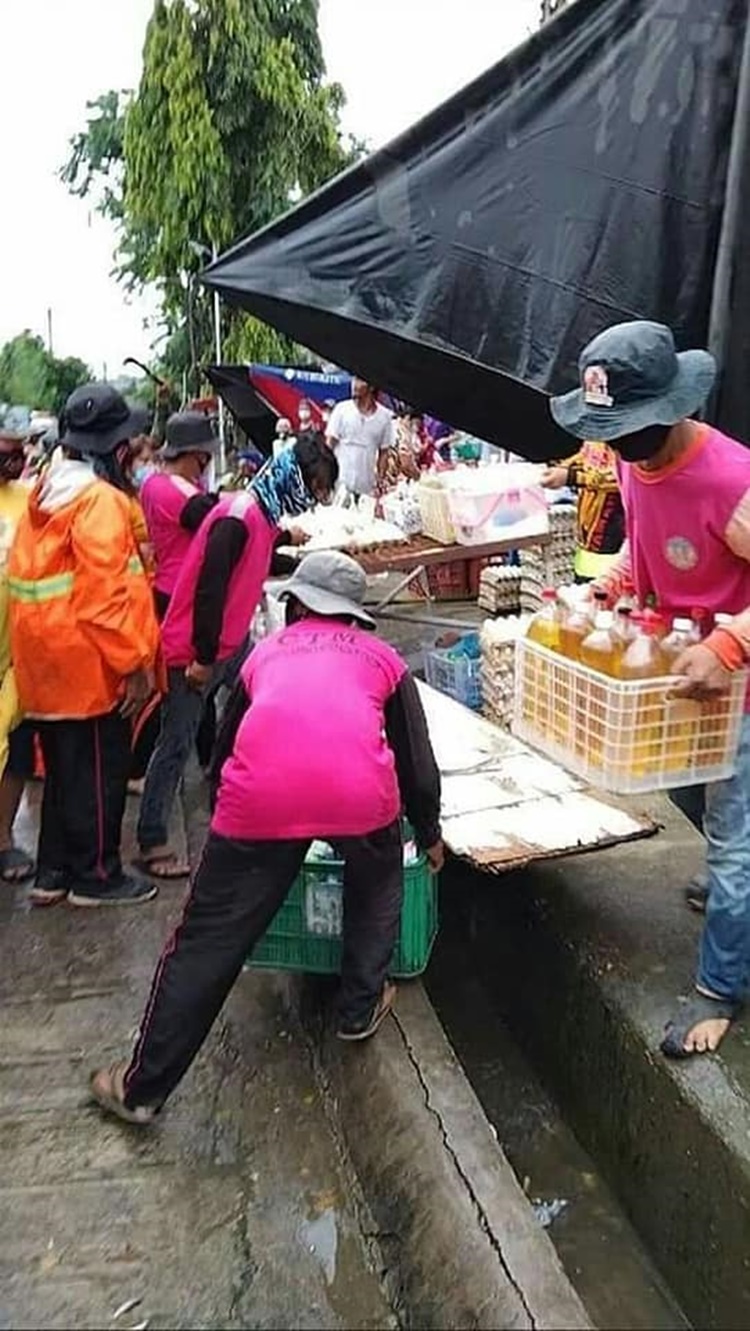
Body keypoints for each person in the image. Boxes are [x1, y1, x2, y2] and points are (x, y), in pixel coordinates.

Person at [89, 550, 444, 1124]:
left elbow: (226, 751)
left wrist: (229, 828)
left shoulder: (265, 655)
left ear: (297, 605)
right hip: (360, 799)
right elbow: (417, 766)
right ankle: (357, 1009)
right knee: (378, 880)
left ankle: (141, 1090)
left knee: (205, 942)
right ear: (354, 615)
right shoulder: (383, 658)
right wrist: (429, 834)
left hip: (259, 803)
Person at [550, 320, 750, 1059]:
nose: (615, 444)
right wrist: (610, 585)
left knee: (734, 844)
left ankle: (722, 987)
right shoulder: (634, 465)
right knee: (686, 791)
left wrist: (730, 644)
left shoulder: (732, 479)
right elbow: (644, 546)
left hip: (738, 686)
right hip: (682, 670)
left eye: (627, 429)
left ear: (669, 409)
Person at [135, 435, 339, 880]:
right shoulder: (239, 515)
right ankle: (151, 841)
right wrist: (203, 658)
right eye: (315, 485)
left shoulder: (262, 515)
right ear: (292, 475)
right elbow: (209, 589)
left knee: (262, 706)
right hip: (197, 649)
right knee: (175, 742)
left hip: (231, 645)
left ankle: (239, 796)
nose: (315, 496)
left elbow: (262, 560)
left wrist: (315, 563)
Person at [8, 383, 162, 906]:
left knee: (63, 775)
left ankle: (53, 874)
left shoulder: (45, 491)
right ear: (116, 448)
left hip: (42, 664)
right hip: (88, 663)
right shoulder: (99, 502)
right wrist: (136, 665)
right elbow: (102, 601)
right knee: (99, 773)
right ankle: (97, 876)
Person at [141, 412, 220, 620]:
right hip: (180, 592)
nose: (206, 462)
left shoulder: (158, 482)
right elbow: (218, 520)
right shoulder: (171, 489)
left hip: (173, 586)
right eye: (205, 456)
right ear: (194, 454)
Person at [0, 429, 34, 883]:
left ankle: (3, 839)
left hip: (20, 654)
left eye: (18, 452)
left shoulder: (30, 500)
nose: (14, 460)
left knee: (18, 752)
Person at [542, 440, 626, 583]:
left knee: (609, 588)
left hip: (615, 532)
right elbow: (584, 457)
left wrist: (573, 477)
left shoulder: (630, 439)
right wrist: (562, 468)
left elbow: (619, 477)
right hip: (587, 537)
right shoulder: (596, 435)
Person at [326, 378, 395, 498]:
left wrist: (380, 480)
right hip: (339, 485)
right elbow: (328, 446)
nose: (355, 385)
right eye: (354, 380)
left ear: (371, 387)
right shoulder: (341, 410)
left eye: (360, 381)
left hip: (366, 489)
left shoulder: (384, 417)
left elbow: (384, 452)